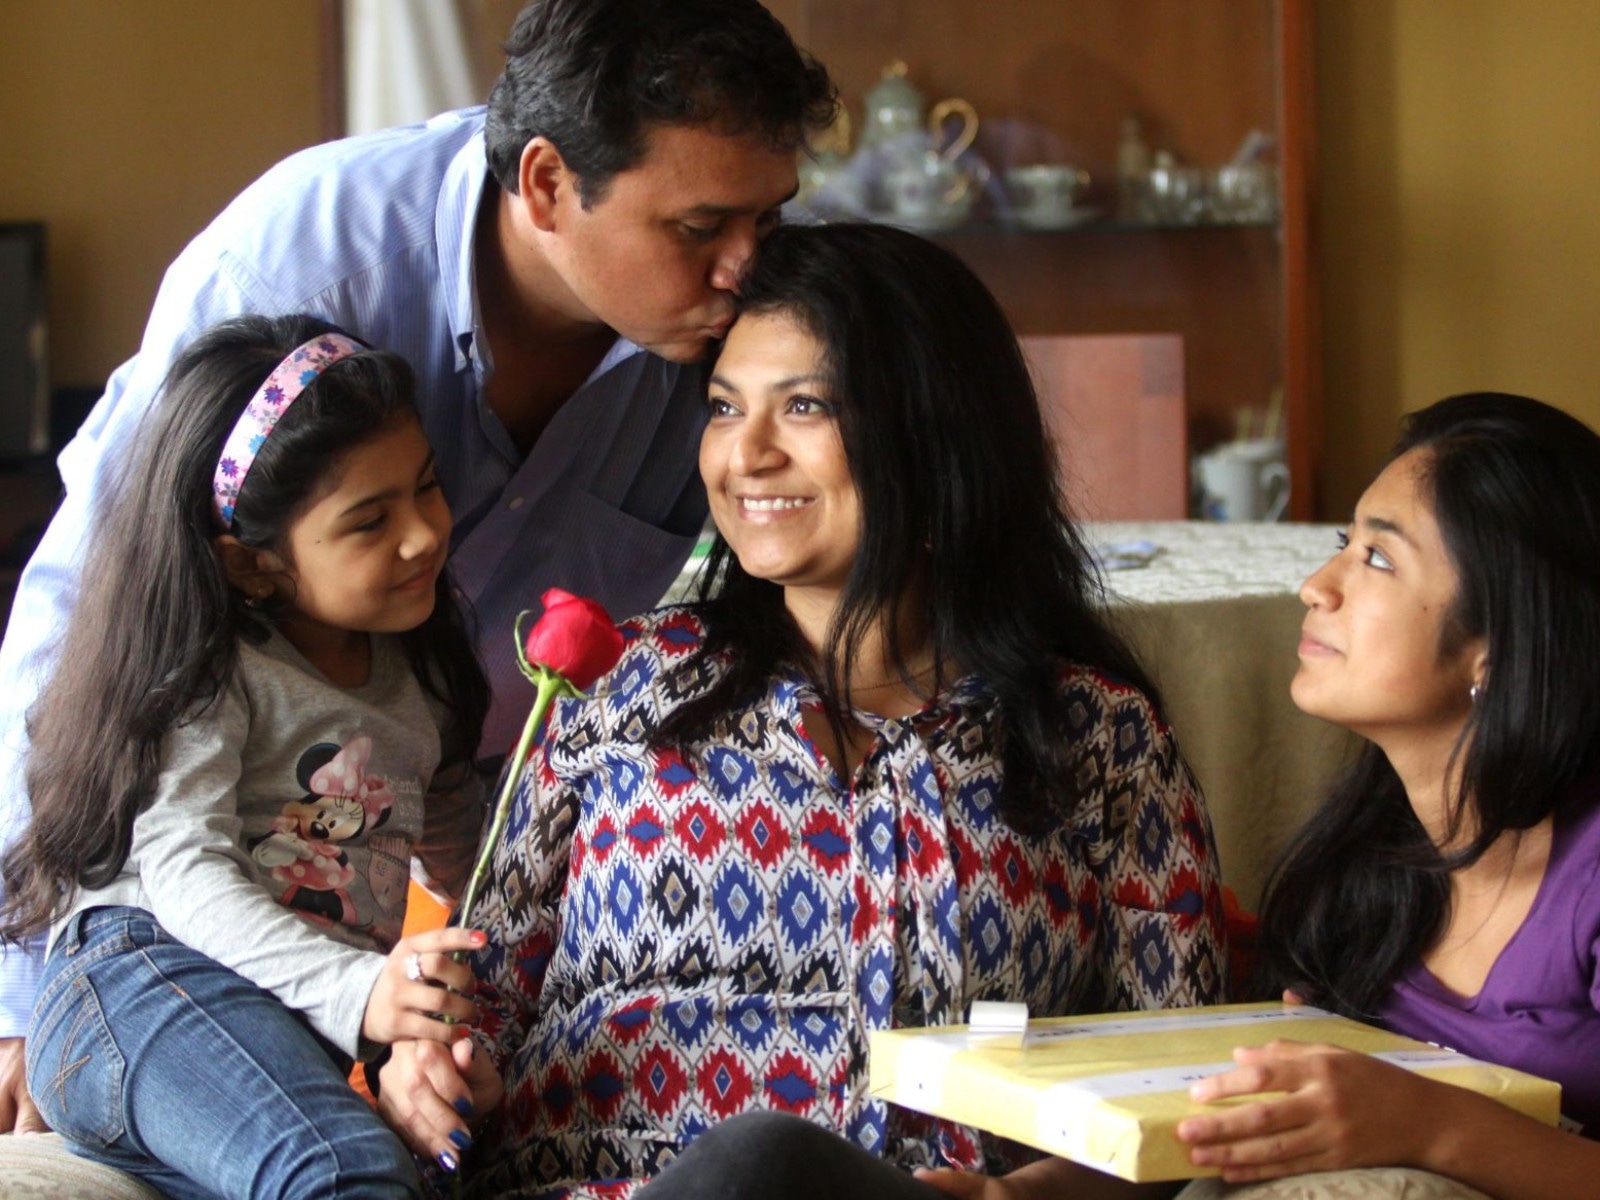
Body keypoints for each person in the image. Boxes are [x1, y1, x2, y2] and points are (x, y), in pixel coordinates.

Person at [0, 0, 836, 1132]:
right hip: (167, 920)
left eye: (767, 218)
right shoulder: (304, 265)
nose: (748, 267)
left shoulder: (724, 347)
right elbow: (86, 617)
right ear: (545, 185)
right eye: (699, 227)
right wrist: (23, 990)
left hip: (400, 886)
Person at [377, 222, 1225, 1197]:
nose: (746, 454)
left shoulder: (1097, 737)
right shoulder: (622, 683)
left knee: (765, 1165)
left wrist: (1004, 1199)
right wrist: (436, 1065)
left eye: (806, 406)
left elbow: (1175, 1102)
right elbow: (487, 984)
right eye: (725, 406)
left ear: (935, 431)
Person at [0, 314, 498, 1197]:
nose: (424, 534)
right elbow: (184, 872)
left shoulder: (424, 676)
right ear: (251, 565)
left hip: (270, 1038)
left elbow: (478, 865)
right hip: (138, 986)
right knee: (345, 1172)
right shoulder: (217, 670)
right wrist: (360, 997)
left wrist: (444, 1029)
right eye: (368, 521)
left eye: (425, 488)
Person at [1174, 394, 1600, 1198]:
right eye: (1345, 543)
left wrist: (1423, 1121)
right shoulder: (1370, 854)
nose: (1314, 586)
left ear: (1495, 643)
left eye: (1377, 558)